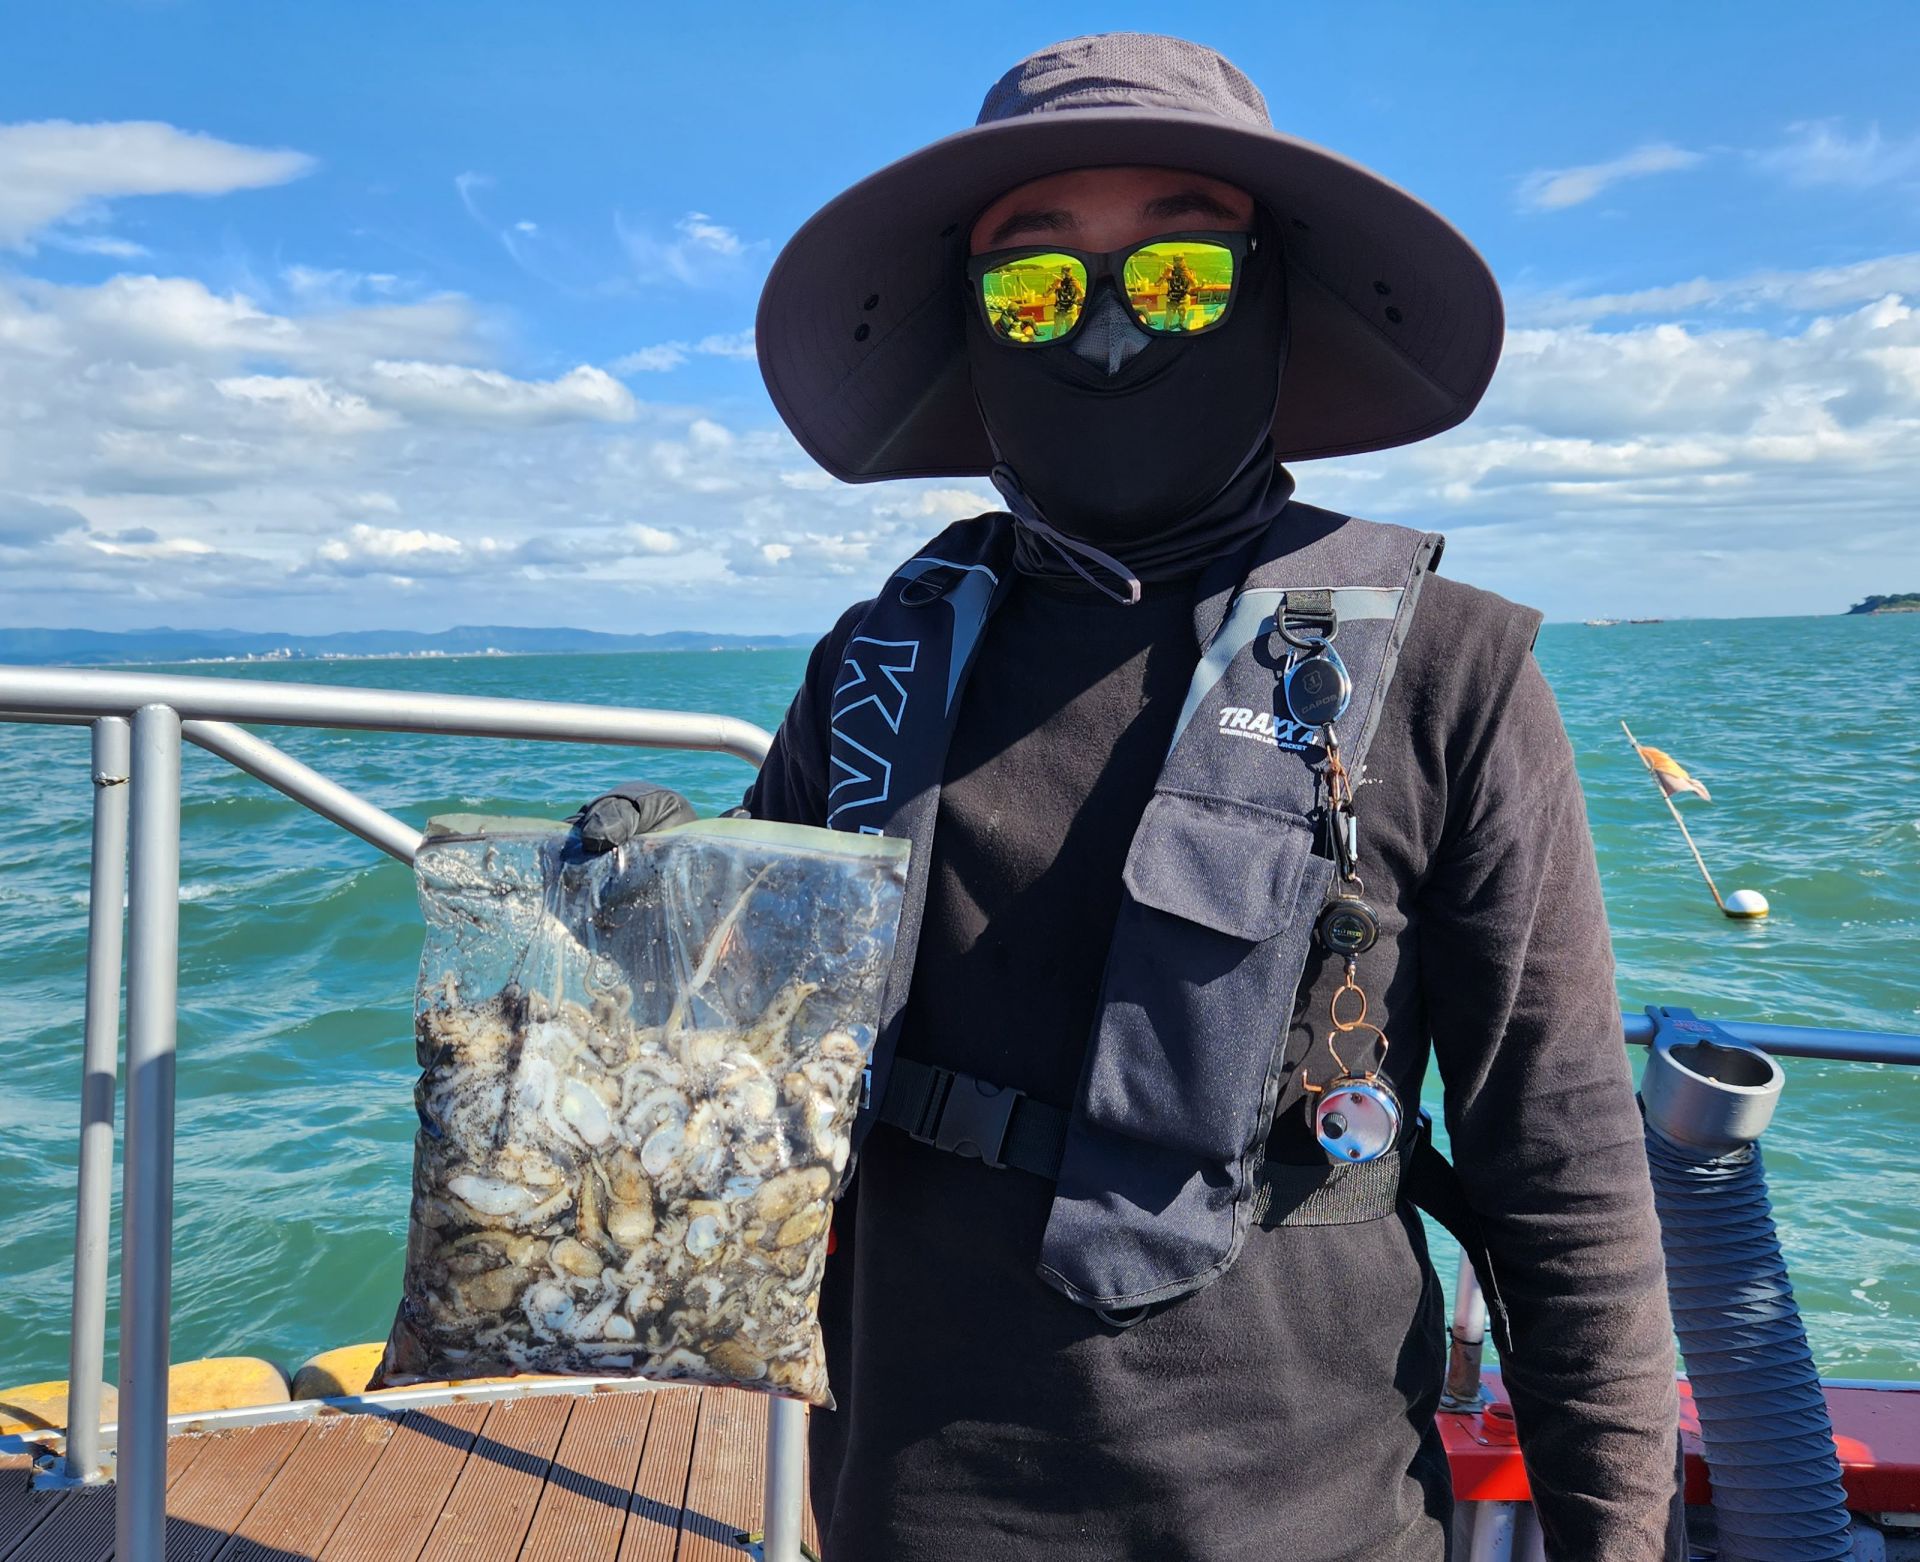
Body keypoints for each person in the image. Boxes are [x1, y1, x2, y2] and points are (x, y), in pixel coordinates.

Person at [592, 33, 1683, 1562]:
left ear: (1272, 297)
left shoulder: (1451, 674)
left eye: (1181, 272)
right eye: (1036, 285)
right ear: (977, 329)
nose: (1109, 329)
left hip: (1319, 1520)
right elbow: (731, 1085)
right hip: (913, 1512)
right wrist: (639, 927)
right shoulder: (872, 673)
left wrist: (1618, 1538)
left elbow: (1563, 1179)